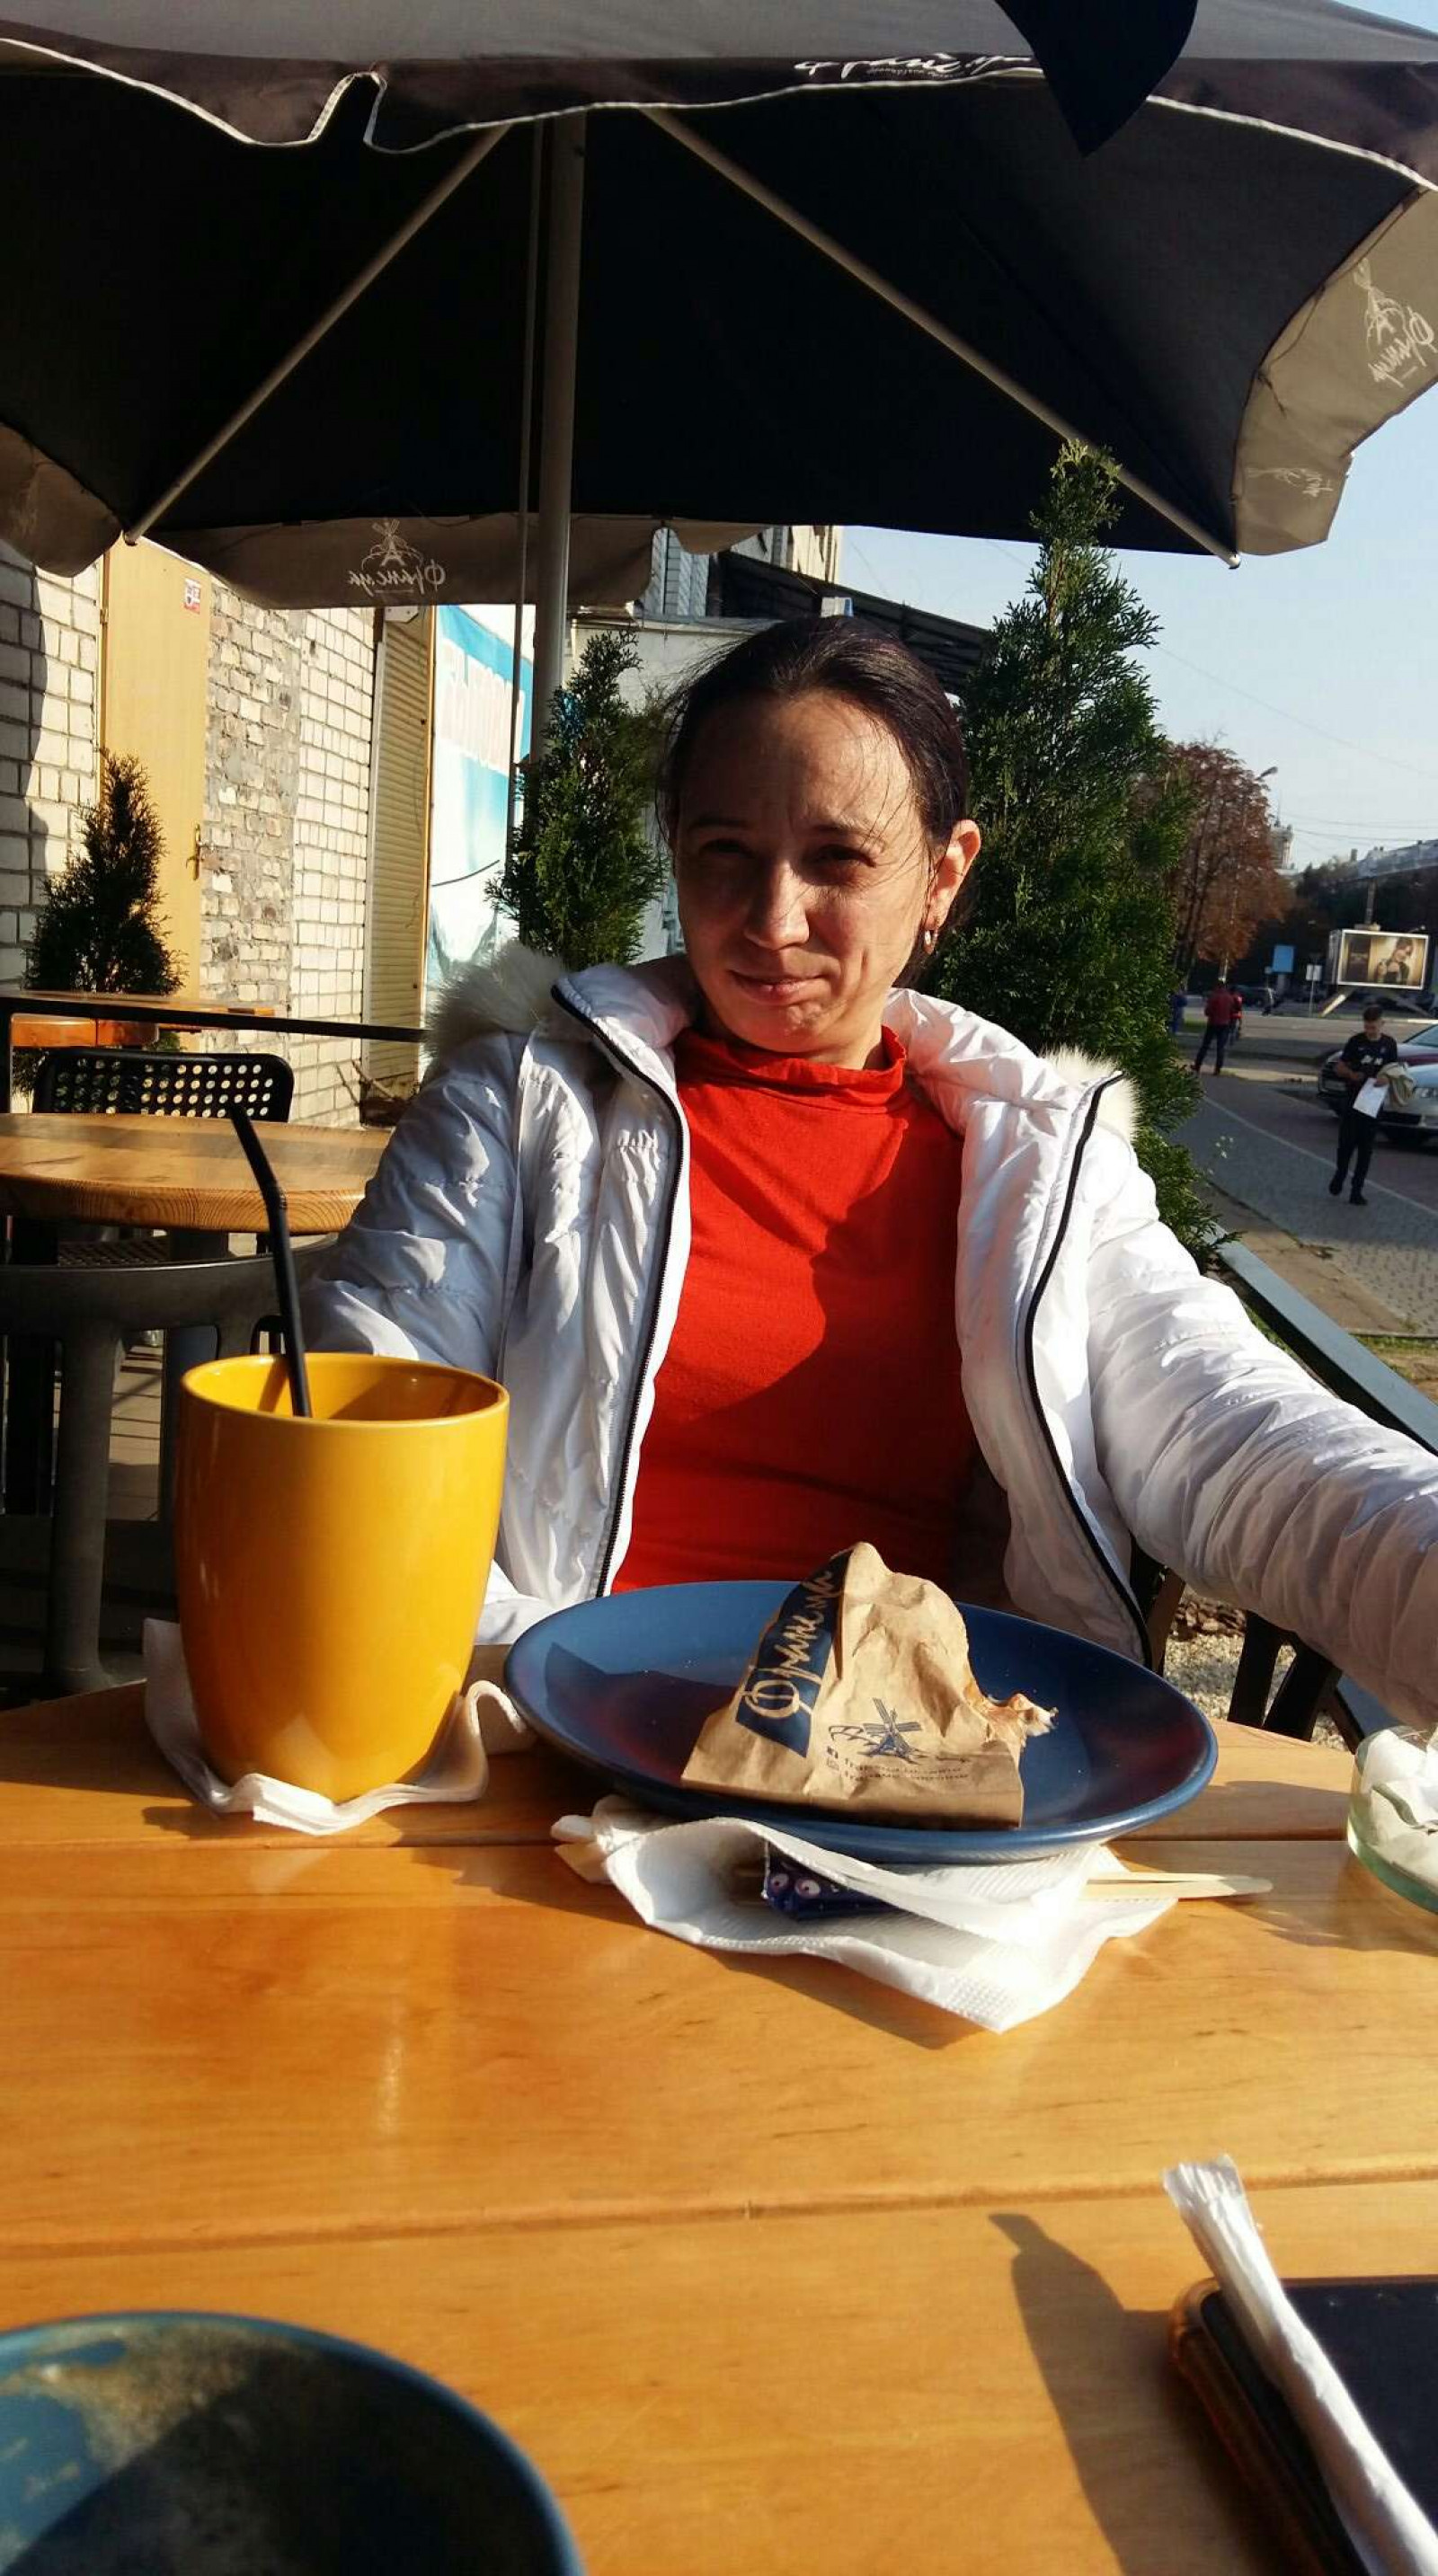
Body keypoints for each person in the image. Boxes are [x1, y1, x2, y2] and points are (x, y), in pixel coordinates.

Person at [306, 618, 1438, 1725]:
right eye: (723, 851)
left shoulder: (1035, 1163)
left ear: (942, 876)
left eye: (837, 859)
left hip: (893, 1766)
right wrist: (591, 1698)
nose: (772, 918)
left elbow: (1226, 1431)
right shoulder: (517, 1109)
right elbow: (360, 1441)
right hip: (549, 1733)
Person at [1329, 1003, 1398, 1207]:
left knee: (1366, 1149)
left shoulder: (1389, 1044)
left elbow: (1394, 1069)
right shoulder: (1356, 1041)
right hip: (1353, 1101)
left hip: (1373, 1103)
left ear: (1382, 1023)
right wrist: (1351, 1074)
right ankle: (1340, 1173)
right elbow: (1339, 1066)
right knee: (1346, 1144)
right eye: (1367, 1027)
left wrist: (1387, 1078)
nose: (1369, 1031)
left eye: (1373, 1027)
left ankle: (1357, 1190)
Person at [1193, 978, 1241, 1072]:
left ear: (1217, 987)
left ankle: (1198, 1065)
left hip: (1213, 1023)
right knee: (1221, 1047)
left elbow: (1208, 1011)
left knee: (1205, 1045)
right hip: (1225, 1024)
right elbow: (1234, 1010)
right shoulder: (1229, 997)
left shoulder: (1214, 996)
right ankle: (1218, 1068)